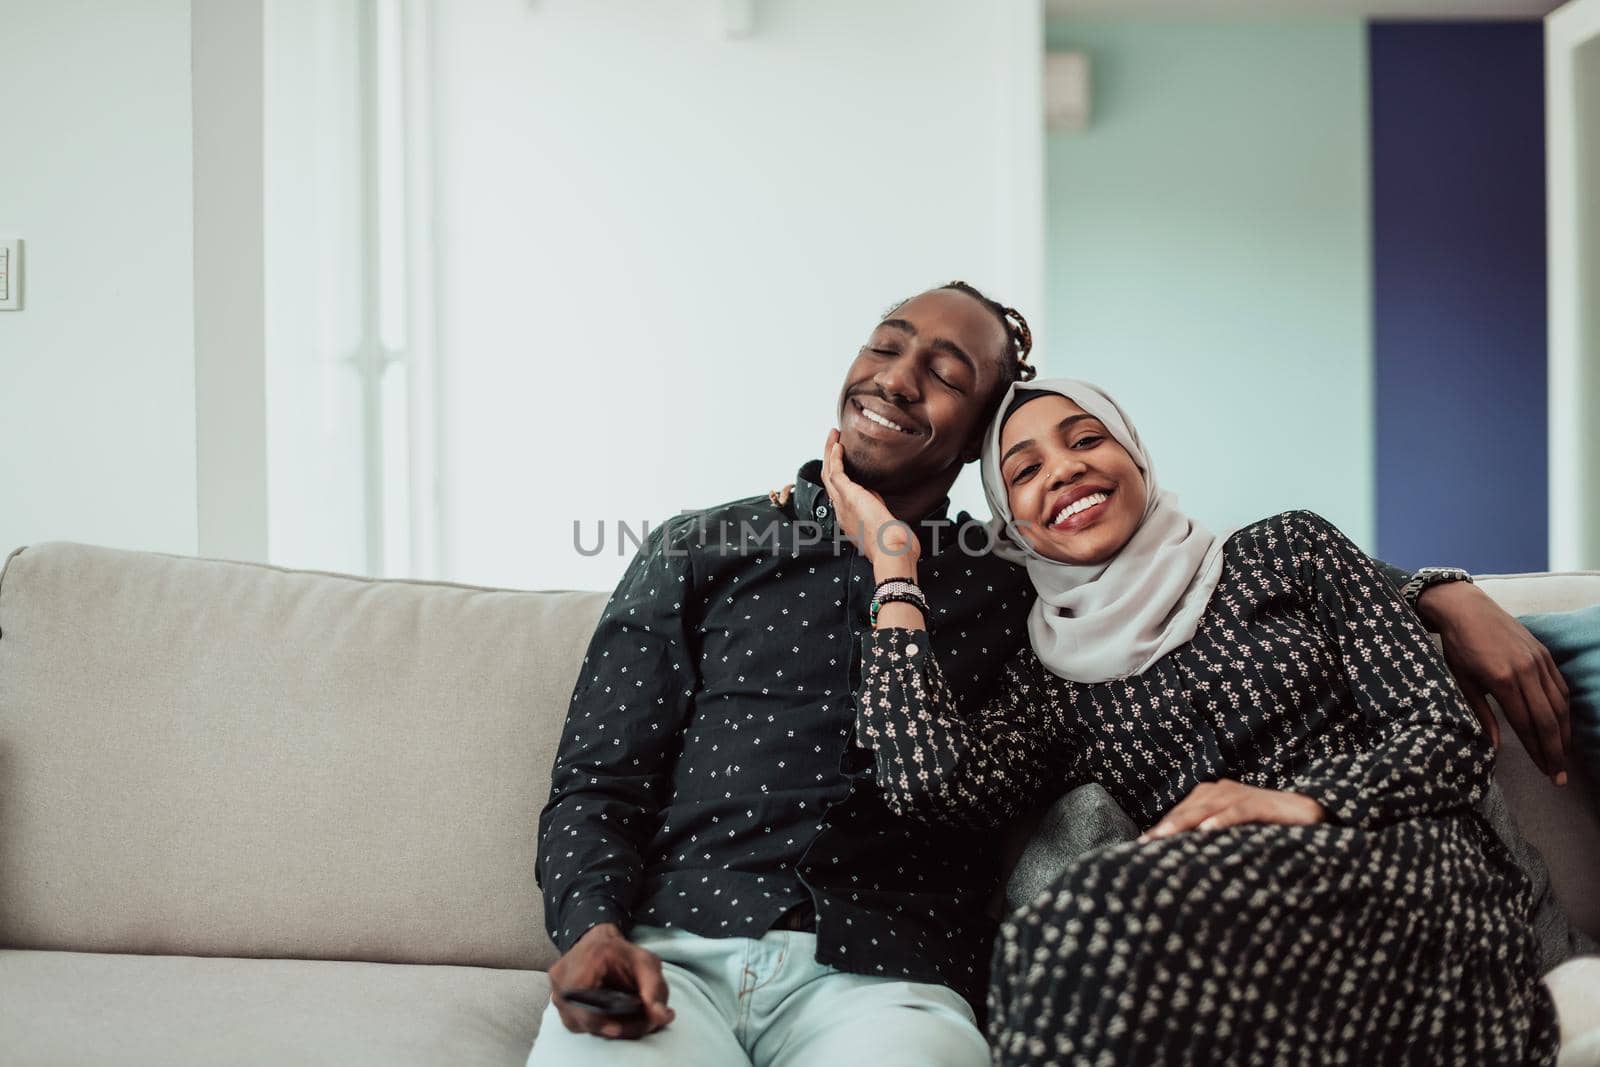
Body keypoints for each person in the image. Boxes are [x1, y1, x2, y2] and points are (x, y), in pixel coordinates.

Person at [529, 286, 1569, 1067]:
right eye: (885, 346)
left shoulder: (1049, 584)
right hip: (684, 938)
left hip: (889, 975)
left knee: (1059, 955)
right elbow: (606, 776)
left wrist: (1437, 587)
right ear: (1008, 496)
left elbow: (1253, 593)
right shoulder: (714, 547)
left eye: (943, 370)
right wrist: (589, 926)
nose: (897, 377)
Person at [832, 378, 1563, 1065]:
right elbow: (926, 784)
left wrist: (1300, 803)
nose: (1063, 469)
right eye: (1024, 471)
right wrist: (896, 572)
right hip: (1241, 940)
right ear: (1012, 527)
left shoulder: (1287, 549)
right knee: (1049, 941)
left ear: (1135, 455)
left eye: (1087, 439)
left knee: (1089, 916)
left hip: (1415, 878)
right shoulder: (1050, 682)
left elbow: (1447, 734)